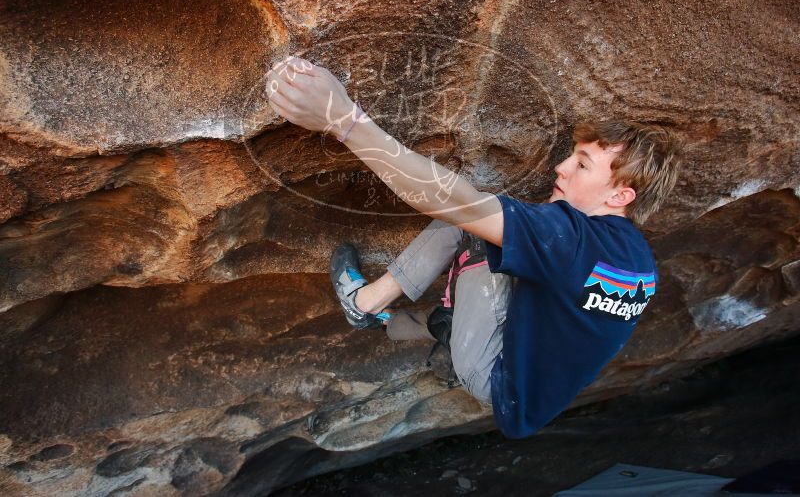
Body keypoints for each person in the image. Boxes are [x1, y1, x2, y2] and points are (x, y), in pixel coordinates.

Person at [266, 56, 684, 439]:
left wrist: (343, 118)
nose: (561, 167)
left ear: (620, 196)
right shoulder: (637, 262)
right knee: (509, 243)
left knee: (477, 224)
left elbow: (452, 201)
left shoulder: (569, 240)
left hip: (495, 376)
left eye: (581, 164)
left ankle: (366, 303)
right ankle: (420, 328)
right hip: (530, 397)